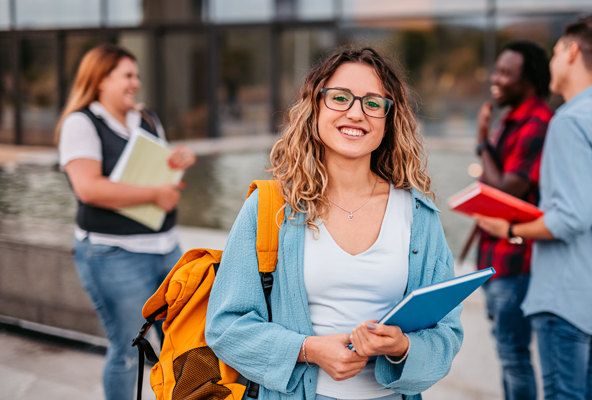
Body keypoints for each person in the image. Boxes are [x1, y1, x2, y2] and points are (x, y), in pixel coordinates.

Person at [205, 47, 463, 400]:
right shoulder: (271, 208)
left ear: (389, 119)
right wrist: (308, 350)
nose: (356, 113)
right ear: (316, 107)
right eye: (340, 98)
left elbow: (446, 334)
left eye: (373, 103)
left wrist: (403, 346)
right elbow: (225, 327)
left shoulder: (419, 216)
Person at [473, 16, 592, 400]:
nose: (551, 62)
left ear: (572, 51)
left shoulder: (570, 121)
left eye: (556, 51)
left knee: (564, 393)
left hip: (563, 293)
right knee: (591, 388)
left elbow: (571, 217)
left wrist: (509, 230)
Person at [56, 44, 195, 400]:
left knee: (182, 346)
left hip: (167, 249)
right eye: (127, 75)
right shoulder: (81, 123)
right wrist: (154, 196)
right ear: (100, 80)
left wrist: (174, 163)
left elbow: (158, 173)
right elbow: (88, 188)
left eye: (137, 75)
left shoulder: (146, 118)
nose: (137, 82)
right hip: (115, 254)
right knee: (129, 350)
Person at [472, 41, 551, 400]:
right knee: (508, 355)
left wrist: (482, 144)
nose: (496, 78)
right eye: (497, 70)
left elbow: (508, 190)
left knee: (513, 356)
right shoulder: (514, 120)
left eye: (506, 73)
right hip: (497, 257)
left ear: (529, 80)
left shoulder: (535, 123)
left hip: (515, 260)